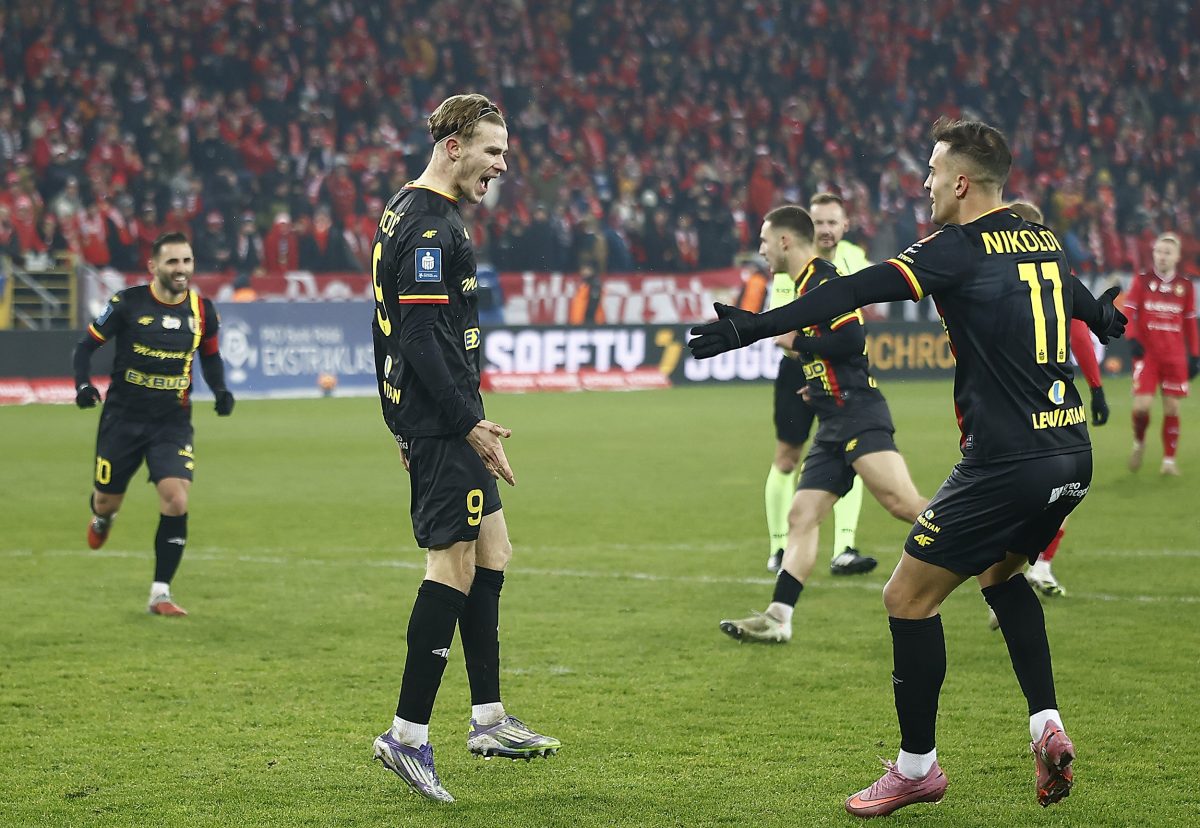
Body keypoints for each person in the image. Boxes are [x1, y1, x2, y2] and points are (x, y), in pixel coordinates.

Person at [689, 117, 1126, 816]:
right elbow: (1072, 297)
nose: (924, 184)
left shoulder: (956, 246)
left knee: (906, 598)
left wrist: (755, 326)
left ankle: (917, 768)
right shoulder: (1040, 238)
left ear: (962, 182)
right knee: (1001, 574)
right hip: (1070, 452)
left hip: (1005, 460)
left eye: (932, 171)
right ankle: (1046, 725)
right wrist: (1102, 319)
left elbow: (853, 292)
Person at [368, 93, 560, 804]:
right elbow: (417, 336)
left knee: (492, 550)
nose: (501, 166)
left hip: (440, 417)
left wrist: (415, 420)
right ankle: (406, 735)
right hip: (444, 422)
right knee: (450, 564)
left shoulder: (411, 209)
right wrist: (458, 423)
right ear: (453, 145)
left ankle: (488, 720)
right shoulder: (427, 223)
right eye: (492, 151)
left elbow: (396, 333)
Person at [718, 205, 928, 645]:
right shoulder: (803, 284)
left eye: (764, 240)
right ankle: (778, 617)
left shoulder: (824, 281)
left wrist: (799, 340)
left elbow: (852, 338)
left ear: (785, 241)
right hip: (833, 416)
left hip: (857, 412)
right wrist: (815, 384)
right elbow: (830, 350)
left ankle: (996, 567)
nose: (761, 249)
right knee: (802, 515)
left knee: (904, 504)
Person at [72, 231, 236, 616]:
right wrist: (82, 385)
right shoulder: (127, 304)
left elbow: (210, 356)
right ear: (153, 266)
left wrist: (220, 389)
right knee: (106, 500)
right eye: (172, 261)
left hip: (171, 422)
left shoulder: (202, 311)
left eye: (187, 261)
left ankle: (160, 593)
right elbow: (85, 347)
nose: (181, 269)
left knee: (176, 499)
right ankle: (102, 517)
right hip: (123, 419)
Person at [1125, 232, 1199, 476]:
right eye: (1159, 251)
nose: (1162, 256)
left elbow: (1190, 322)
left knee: (1172, 408)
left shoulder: (1185, 286)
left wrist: (1195, 355)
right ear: (1153, 254)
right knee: (1142, 406)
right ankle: (1139, 442)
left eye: (1168, 252)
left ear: (1177, 257)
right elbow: (1129, 311)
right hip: (1148, 355)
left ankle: (1168, 461)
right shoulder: (1142, 280)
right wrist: (1131, 338)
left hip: (1174, 355)